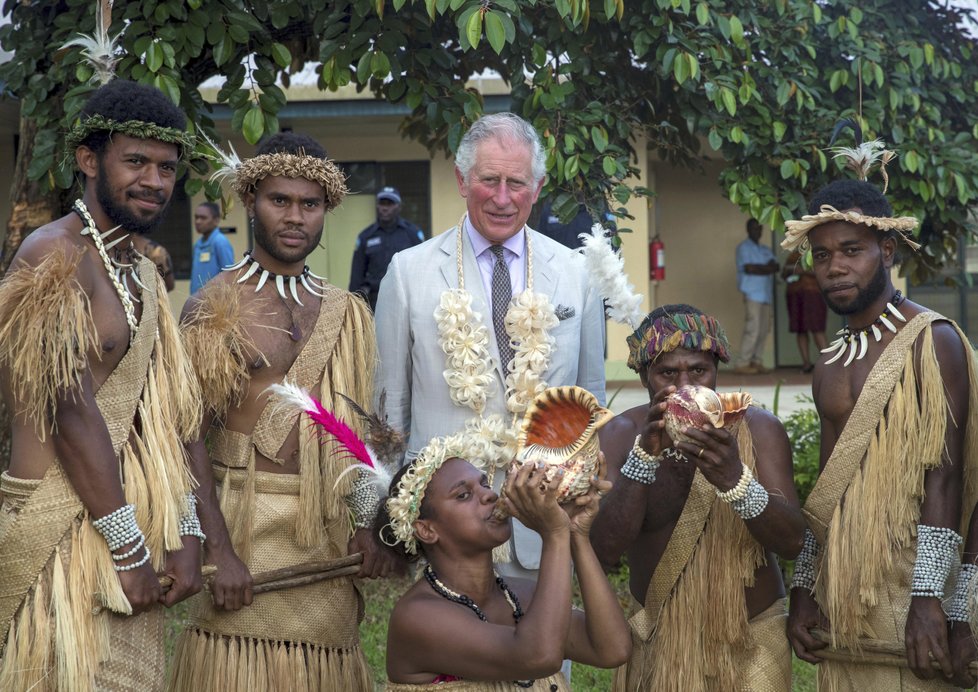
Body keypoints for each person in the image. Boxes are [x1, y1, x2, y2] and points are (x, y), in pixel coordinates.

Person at [170, 132, 398, 691]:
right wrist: (213, 548)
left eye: (310, 204)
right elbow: (181, 437)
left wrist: (368, 523)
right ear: (251, 202)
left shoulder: (347, 312)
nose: (295, 217)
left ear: (327, 211)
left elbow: (353, 429)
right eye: (280, 201)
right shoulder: (214, 304)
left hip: (323, 533)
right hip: (242, 524)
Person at [0, 79, 204, 690]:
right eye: (135, 161)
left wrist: (186, 531)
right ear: (89, 161)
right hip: (58, 531)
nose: (154, 181)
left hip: (128, 522)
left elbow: (163, 414)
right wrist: (129, 548)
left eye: (166, 167)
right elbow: (69, 412)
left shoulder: (139, 271)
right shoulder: (52, 255)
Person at [373, 112, 606, 579]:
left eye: (517, 183)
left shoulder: (576, 273)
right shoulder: (408, 272)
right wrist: (385, 515)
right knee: (452, 651)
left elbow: (589, 398)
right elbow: (388, 410)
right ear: (462, 179)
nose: (503, 198)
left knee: (544, 651)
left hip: (542, 523)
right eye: (489, 180)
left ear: (537, 188)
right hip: (446, 534)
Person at [783, 177, 978, 690]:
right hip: (845, 587)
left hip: (913, 580)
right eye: (821, 255)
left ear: (886, 250)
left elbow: (948, 479)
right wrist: (805, 586)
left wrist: (931, 600)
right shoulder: (828, 362)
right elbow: (826, 488)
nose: (835, 267)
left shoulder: (933, 342)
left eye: (852, 250)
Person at [590, 304, 805, 690]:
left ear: (717, 370)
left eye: (699, 371)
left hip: (751, 636)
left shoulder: (758, 429)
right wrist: (644, 457)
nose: (685, 385)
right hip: (659, 637)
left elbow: (793, 542)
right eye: (668, 373)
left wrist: (735, 479)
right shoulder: (621, 435)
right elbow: (604, 551)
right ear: (644, 377)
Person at [377, 430, 631, 689]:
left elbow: (612, 649)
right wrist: (555, 534)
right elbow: (537, 657)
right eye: (463, 495)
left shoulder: (522, 595)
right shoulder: (418, 617)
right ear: (427, 530)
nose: (489, 495)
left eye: (485, 484)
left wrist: (576, 532)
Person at [349, 186, 425, 310]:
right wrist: (354, 305)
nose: (385, 208)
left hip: (407, 299)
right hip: (374, 301)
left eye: (390, 204)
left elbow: (423, 268)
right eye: (382, 203)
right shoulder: (366, 236)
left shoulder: (412, 234)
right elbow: (356, 275)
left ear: (399, 207)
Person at [734, 219, 778, 374]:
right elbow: (749, 268)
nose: (757, 231)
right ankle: (742, 363)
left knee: (764, 329)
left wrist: (761, 268)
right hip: (752, 293)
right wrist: (766, 268)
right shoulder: (743, 248)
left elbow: (775, 266)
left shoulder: (765, 249)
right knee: (753, 328)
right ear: (748, 230)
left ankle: (756, 361)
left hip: (766, 294)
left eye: (759, 228)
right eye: (754, 228)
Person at [782, 250, 828, 373]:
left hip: (813, 294)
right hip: (795, 294)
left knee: (817, 328)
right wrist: (789, 271)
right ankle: (806, 363)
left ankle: (829, 363)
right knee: (800, 329)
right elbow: (783, 274)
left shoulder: (815, 252)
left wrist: (803, 271)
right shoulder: (792, 255)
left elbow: (824, 273)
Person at [189, 201, 234, 294]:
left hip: (215, 304)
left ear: (216, 220)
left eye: (203, 218)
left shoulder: (220, 242)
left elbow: (229, 276)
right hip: (196, 301)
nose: (198, 221)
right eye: (196, 217)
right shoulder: (197, 245)